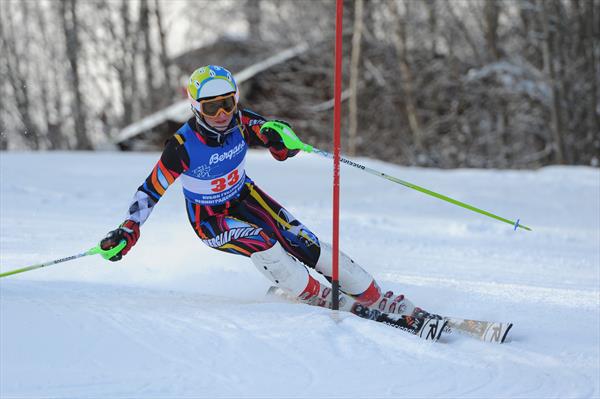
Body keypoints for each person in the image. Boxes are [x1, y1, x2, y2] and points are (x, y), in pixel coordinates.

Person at [100, 65, 421, 316]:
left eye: (227, 103)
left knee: (303, 241)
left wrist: (283, 141)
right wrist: (128, 229)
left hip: (245, 197)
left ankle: (375, 297)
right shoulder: (182, 146)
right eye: (212, 108)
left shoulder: (241, 122)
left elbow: (274, 132)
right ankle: (318, 296)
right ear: (196, 108)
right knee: (263, 243)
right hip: (210, 219)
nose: (223, 114)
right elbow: (150, 190)